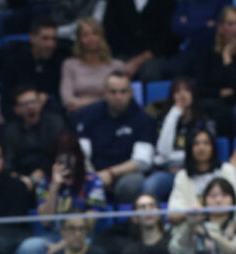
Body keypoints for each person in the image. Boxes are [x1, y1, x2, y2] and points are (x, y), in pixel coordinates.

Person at [17, 131, 108, 254]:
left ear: (77, 156)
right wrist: (54, 186)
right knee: (29, 248)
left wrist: (63, 244)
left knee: (93, 248)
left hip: (82, 235)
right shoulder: (45, 182)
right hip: (52, 236)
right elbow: (45, 221)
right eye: (61, 157)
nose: (66, 161)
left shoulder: (92, 181)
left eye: (70, 156)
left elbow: (89, 223)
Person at [76, 72, 157, 207]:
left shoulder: (143, 119)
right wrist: (94, 177)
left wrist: (110, 173)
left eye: (123, 92)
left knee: (132, 184)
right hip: (93, 172)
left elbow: (142, 161)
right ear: (104, 93)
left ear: (131, 93)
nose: (118, 97)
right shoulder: (89, 115)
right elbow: (81, 153)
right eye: (113, 92)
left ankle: (127, 218)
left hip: (125, 174)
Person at [195, 5, 236, 137]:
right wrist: (219, 92)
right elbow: (201, 86)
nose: (235, 29)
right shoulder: (209, 55)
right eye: (230, 24)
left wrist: (227, 58)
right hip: (215, 102)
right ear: (221, 28)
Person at [150, 77, 216, 204]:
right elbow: (163, 151)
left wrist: (173, 158)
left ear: (193, 94)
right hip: (168, 173)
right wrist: (174, 113)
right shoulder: (165, 120)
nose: (182, 95)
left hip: (195, 172)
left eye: (186, 90)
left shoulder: (205, 122)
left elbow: (206, 152)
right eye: (177, 91)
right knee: (151, 185)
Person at [0, 17, 67, 113]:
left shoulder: (59, 62)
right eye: (45, 39)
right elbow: (6, 101)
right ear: (32, 38)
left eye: (54, 39)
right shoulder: (14, 62)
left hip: (50, 115)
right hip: (20, 116)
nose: (51, 44)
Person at [166, 127, 236, 220]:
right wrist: (190, 212)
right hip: (192, 226)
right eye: (196, 144)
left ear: (213, 147)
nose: (201, 148)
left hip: (225, 224)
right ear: (189, 148)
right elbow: (172, 214)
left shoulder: (227, 170)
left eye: (206, 143)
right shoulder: (182, 176)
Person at [3, 85, 68, 186]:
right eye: (25, 104)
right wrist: (18, 179)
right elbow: (8, 162)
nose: (31, 107)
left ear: (40, 103)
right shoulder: (10, 131)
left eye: (33, 101)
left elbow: (61, 154)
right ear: (17, 109)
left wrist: (40, 173)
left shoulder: (55, 123)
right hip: (21, 180)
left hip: (52, 175)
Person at [60, 18, 127, 114]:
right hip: (79, 115)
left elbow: (121, 99)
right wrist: (102, 100)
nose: (91, 38)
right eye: (85, 35)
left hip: (110, 115)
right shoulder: (69, 65)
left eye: (95, 33)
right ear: (79, 40)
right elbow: (68, 101)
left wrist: (84, 102)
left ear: (101, 37)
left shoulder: (117, 66)